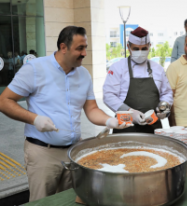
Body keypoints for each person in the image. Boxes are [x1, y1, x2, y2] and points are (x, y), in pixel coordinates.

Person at [0, 26, 130, 201]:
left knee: (69, 200)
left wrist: (110, 121)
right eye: (80, 48)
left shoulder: (84, 75)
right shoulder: (35, 69)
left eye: (86, 47)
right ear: (63, 47)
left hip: (74, 153)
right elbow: (4, 100)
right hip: (43, 154)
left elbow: (91, 109)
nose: (84, 53)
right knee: (42, 203)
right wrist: (34, 119)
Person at [103, 27, 173, 133]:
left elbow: (167, 93)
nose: (140, 52)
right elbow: (108, 95)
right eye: (136, 49)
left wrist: (164, 107)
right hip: (125, 127)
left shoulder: (158, 69)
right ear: (128, 47)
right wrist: (130, 112)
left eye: (144, 48)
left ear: (149, 46)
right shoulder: (117, 68)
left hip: (153, 128)